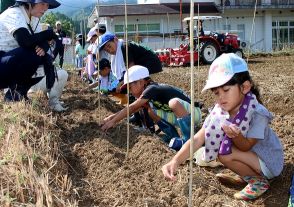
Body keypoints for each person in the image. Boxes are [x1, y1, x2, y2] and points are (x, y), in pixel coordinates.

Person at [162, 53, 284, 200]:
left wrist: (236, 136)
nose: (221, 97)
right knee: (221, 146)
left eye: (226, 90)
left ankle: (258, 180)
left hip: (269, 161)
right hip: (252, 157)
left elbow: (246, 146)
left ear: (244, 87)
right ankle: (249, 175)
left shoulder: (258, 113)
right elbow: (197, 139)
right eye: (217, 93)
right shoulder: (219, 113)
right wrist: (175, 161)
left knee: (224, 152)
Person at [101, 65, 202, 151]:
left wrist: (113, 121)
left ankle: (188, 140)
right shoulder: (149, 93)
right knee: (151, 111)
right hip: (181, 115)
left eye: (130, 87)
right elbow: (135, 109)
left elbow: (132, 107)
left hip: (194, 113)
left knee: (173, 103)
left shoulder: (151, 89)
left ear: (141, 82)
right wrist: (112, 117)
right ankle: (174, 137)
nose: (130, 91)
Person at [0, 0, 60, 102]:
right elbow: (25, 41)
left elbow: (39, 42)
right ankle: (14, 94)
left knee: (45, 59)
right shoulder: (14, 14)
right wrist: (47, 34)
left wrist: (44, 47)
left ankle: (20, 92)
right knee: (32, 54)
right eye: (42, 3)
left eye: (47, 5)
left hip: (12, 60)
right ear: (29, 3)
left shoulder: (34, 19)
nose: (46, 8)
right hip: (2, 62)